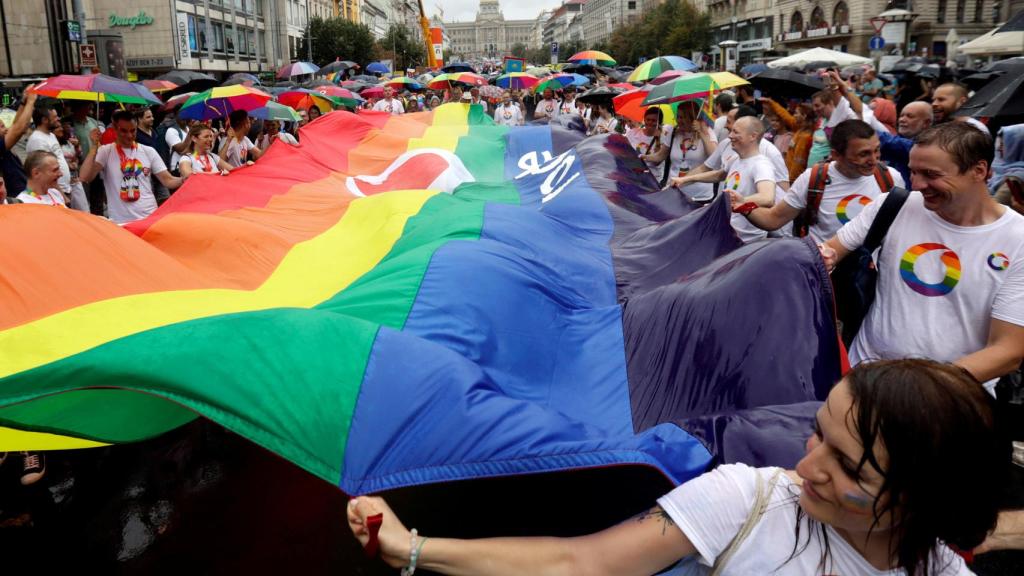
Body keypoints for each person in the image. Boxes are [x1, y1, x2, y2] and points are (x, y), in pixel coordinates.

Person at [349, 359, 1005, 576]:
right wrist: (410, 548)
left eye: (850, 469)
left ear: (925, 497)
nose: (808, 466)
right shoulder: (745, 498)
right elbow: (579, 564)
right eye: (817, 436)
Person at [819, 122, 1024, 385]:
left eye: (930, 174)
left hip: (946, 399)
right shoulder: (894, 205)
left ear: (979, 171)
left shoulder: (1017, 241)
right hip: (863, 376)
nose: (916, 185)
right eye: (913, 172)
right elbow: (831, 250)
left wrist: (922, 387)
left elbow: (1008, 350)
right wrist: (822, 258)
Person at [733, 119, 904, 243]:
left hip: (869, 279)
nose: (873, 160)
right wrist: (743, 206)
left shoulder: (890, 178)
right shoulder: (813, 179)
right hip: (822, 275)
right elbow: (773, 219)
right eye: (863, 154)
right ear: (836, 155)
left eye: (877, 151)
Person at [678, 116, 777, 242]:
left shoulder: (761, 165)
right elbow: (719, 175)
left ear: (753, 136)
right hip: (728, 233)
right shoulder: (736, 159)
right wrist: (685, 180)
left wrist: (738, 201)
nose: (730, 136)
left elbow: (767, 198)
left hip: (745, 241)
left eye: (736, 132)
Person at [79, 109, 182, 224]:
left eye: (133, 131)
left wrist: (187, 178)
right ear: (114, 128)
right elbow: (84, 177)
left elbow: (168, 180)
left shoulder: (148, 151)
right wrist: (94, 147)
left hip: (148, 218)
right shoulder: (106, 152)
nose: (129, 135)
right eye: (123, 131)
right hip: (120, 222)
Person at [649, 103, 718, 200]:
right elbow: (660, 156)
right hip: (674, 192)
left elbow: (715, 158)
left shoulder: (708, 132)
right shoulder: (673, 132)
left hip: (699, 196)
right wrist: (643, 157)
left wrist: (701, 133)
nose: (679, 120)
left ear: (692, 118)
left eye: (682, 117)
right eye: (678, 116)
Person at [760, 98, 815, 183]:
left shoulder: (805, 136)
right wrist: (772, 103)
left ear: (804, 116)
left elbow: (798, 162)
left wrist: (790, 181)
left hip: (792, 179)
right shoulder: (799, 129)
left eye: (796, 113)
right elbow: (785, 115)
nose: (794, 116)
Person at [26, 104, 71, 203]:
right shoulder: (37, 139)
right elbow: (45, 171)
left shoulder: (51, 135)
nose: (58, 119)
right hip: (54, 192)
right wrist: (62, 196)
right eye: (54, 117)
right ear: (44, 120)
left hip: (62, 189)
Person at [0, 87, 36, 198]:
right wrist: (31, 102)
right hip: (14, 201)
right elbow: (19, 129)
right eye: (1, 126)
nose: (6, 128)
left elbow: (15, 126)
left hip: (24, 195)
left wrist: (23, 102)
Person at [627, 107, 671, 176]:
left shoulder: (665, 138)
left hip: (653, 178)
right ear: (644, 119)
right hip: (635, 174)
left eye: (654, 120)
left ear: (659, 122)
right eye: (648, 119)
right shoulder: (633, 133)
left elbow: (657, 163)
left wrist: (658, 140)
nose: (650, 122)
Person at [57, 118, 88, 211]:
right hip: (63, 185)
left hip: (75, 181)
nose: (68, 127)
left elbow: (78, 159)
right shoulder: (55, 145)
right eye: (66, 125)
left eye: (70, 125)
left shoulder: (70, 142)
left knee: (84, 210)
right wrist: (67, 165)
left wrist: (77, 146)